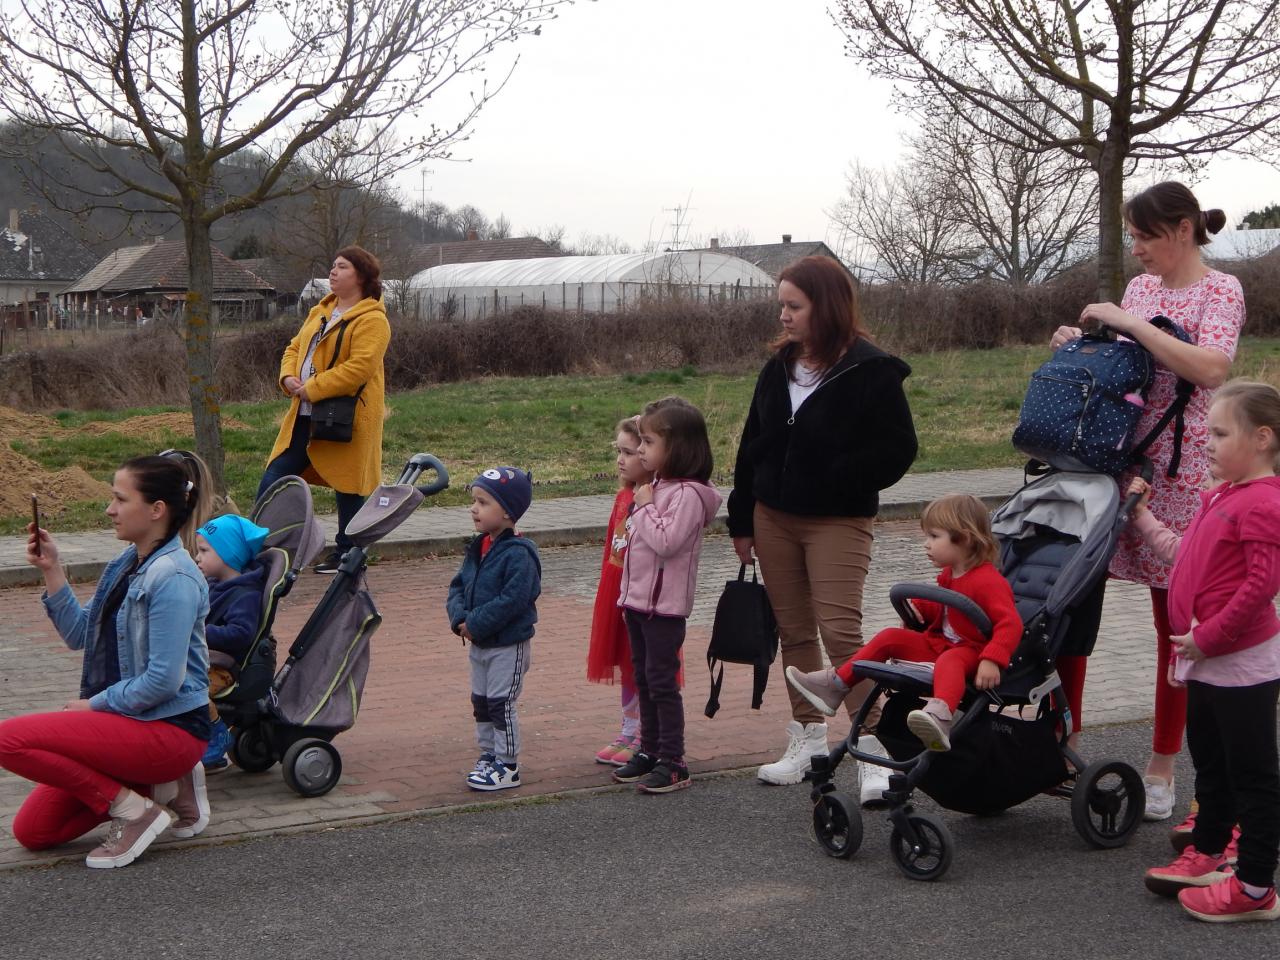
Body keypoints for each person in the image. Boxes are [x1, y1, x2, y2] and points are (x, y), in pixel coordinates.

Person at [1048, 182, 1243, 821]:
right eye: (1131, 236)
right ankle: (1063, 745)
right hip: (1115, 461)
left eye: (1144, 236)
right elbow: (1125, 370)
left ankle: (1162, 765)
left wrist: (1131, 324)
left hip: (1181, 472)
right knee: (1072, 604)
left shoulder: (1221, 290)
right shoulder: (1139, 290)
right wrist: (1080, 346)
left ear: (1183, 229)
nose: (1136, 249)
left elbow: (1211, 369)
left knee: (1175, 623)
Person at [728, 255, 917, 796]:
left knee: (840, 635)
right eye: (781, 305)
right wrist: (741, 520)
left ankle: (875, 751)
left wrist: (835, 475)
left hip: (838, 520)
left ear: (826, 306)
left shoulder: (872, 370)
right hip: (772, 518)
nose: (783, 316)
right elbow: (751, 446)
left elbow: (898, 449)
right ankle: (808, 741)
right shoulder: (778, 367)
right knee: (794, 634)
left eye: (794, 306)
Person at [0, 455, 212, 866]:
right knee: (35, 831)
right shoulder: (124, 564)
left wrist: (94, 706)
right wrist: (52, 568)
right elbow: (80, 634)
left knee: (7, 740)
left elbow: (163, 680)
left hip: (169, 730)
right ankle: (158, 790)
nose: (109, 509)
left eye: (120, 499)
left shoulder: (174, 578)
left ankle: (137, 810)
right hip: (129, 724)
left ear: (156, 510)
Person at [1129, 381, 1280, 923]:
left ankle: (1256, 886)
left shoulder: (1264, 503)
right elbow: (1184, 555)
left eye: (1219, 434)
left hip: (1241, 664)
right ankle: (1211, 851)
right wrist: (1142, 518)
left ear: (1262, 438)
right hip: (1206, 661)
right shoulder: (1222, 495)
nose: (1206, 444)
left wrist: (1207, 639)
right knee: (1211, 764)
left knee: (1253, 775)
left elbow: (1261, 586)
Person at [786, 494, 1022, 752]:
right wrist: (919, 608)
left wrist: (992, 660)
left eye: (934, 536)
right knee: (889, 636)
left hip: (973, 652)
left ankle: (940, 716)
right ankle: (836, 684)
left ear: (964, 539)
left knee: (951, 660)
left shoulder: (988, 581)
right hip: (942, 644)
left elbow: (1010, 624)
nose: (926, 544)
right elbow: (947, 609)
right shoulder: (950, 573)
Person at [611, 397, 722, 794]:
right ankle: (650, 749)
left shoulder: (688, 494)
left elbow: (667, 542)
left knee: (661, 682)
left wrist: (643, 508)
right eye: (639, 442)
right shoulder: (658, 484)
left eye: (648, 442)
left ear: (676, 448)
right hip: (637, 602)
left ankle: (674, 761)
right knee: (643, 677)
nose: (640, 450)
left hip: (664, 608)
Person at [259, 245, 391, 574]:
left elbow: (359, 368)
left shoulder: (373, 320)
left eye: (342, 266)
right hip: (304, 414)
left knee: (349, 485)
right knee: (275, 476)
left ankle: (349, 555)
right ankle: (259, 545)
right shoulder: (320, 311)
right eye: (333, 265)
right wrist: (287, 376)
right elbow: (294, 347)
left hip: (346, 416)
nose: (333, 271)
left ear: (361, 276)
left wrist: (313, 388)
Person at [447, 467, 541, 792]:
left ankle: (508, 764)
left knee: (501, 704)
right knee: (482, 702)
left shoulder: (520, 555)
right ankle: (489, 754)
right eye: (474, 501)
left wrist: (475, 623)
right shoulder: (478, 547)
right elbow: (458, 586)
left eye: (483, 502)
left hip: (507, 646)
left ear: (507, 512)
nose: (474, 508)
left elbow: (513, 600)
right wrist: (459, 618)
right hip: (479, 643)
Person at [586, 415, 650, 767]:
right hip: (617, 585)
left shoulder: (652, 498)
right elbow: (612, 546)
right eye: (619, 451)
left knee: (639, 661)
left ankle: (645, 733)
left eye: (628, 452)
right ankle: (628, 728)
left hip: (640, 588)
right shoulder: (623, 496)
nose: (620, 459)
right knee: (626, 663)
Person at [193, 514, 270, 772]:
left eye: (204, 551)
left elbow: (240, 633)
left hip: (222, 668)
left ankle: (217, 737)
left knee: (189, 692)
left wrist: (200, 631)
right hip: (204, 658)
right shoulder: (214, 584)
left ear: (228, 554)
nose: (197, 557)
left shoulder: (245, 595)